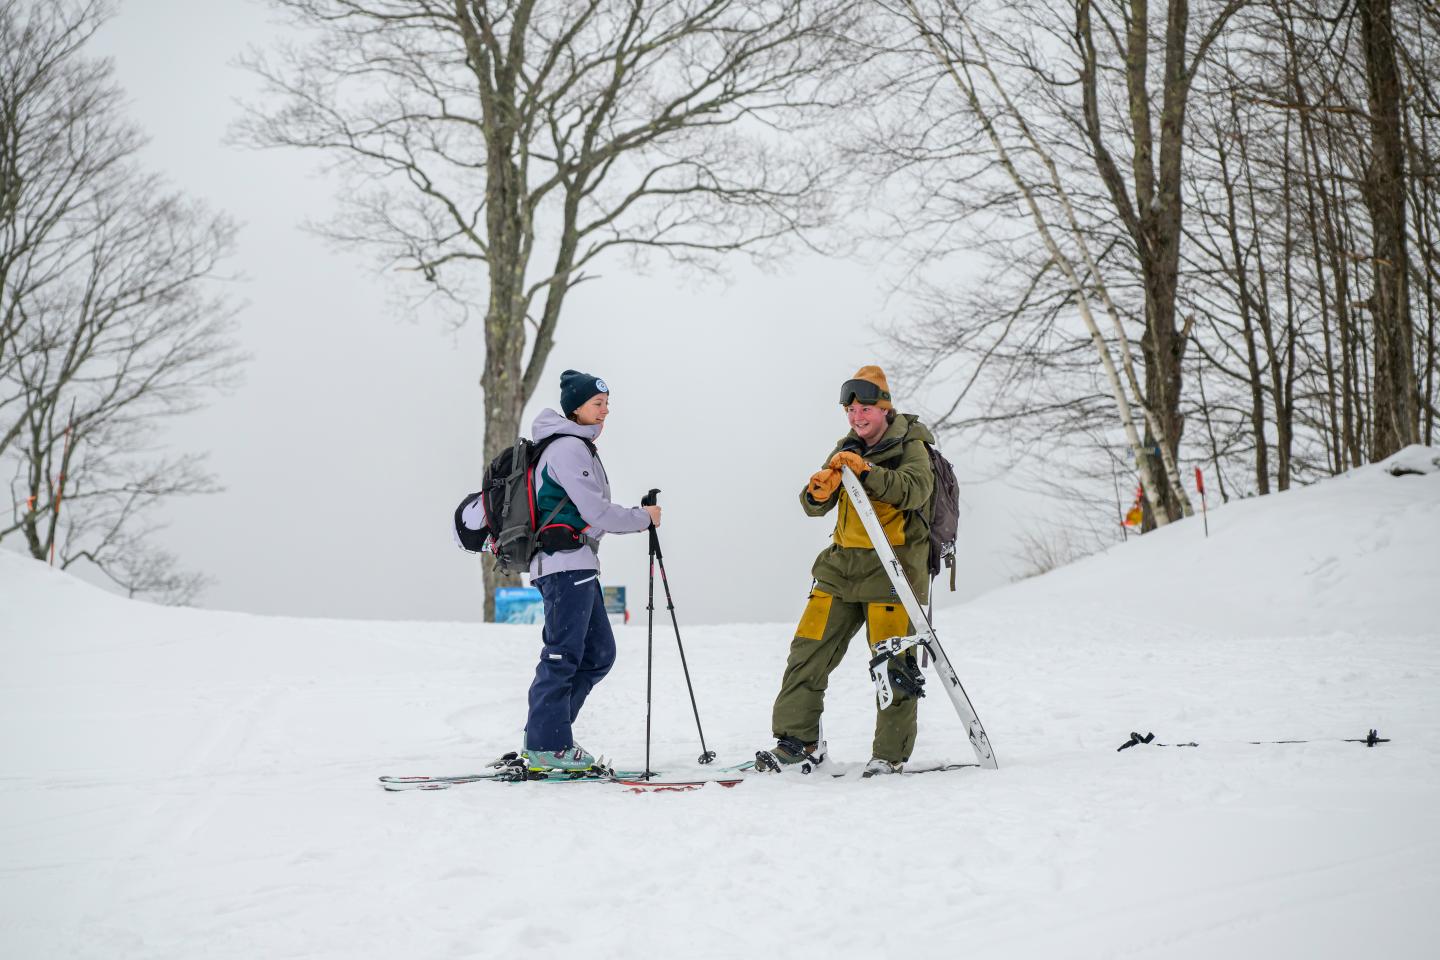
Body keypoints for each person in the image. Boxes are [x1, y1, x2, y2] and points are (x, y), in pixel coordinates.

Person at [758, 365, 937, 777]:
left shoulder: (913, 446)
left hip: (892, 575)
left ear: (885, 409)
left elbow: (914, 490)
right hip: (840, 570)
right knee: (807, 654)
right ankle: (797, 744)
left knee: (893, 667)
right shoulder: (846, 447)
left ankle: (888, 755)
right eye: (851, 410)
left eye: (865, 409)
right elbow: (814, 505)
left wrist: (867, 473)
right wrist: (817, 491)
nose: (857, 417)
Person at [521, 369, 660, 773]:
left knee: (599, 654)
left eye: (607, 405)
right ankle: (548, 745)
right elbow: (596, 512)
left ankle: (547, 736)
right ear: (576, 408)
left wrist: (626, 519)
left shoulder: (575, 446)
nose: (604, 412)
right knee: (563, 654)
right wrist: (643, 518)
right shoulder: (567, 447)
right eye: (598, 404)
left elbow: (592, 518)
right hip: (564, 566)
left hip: (577, 565)